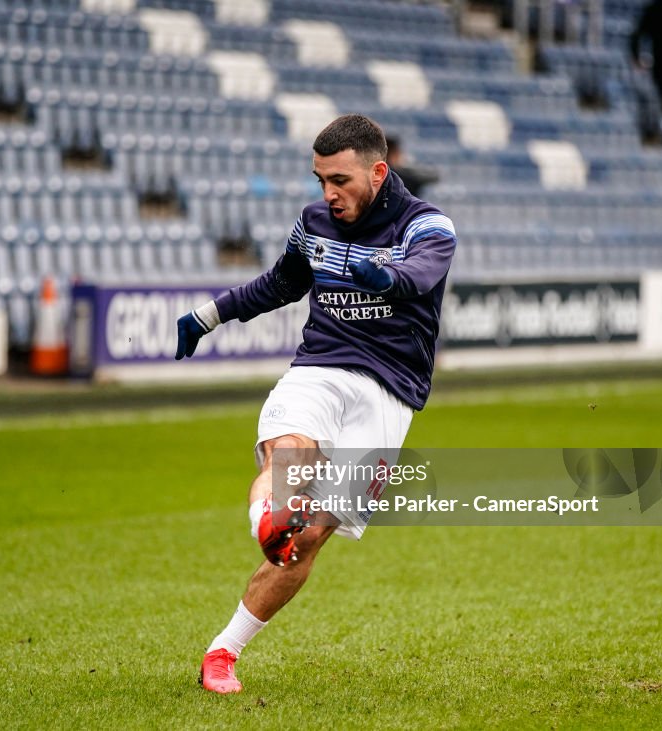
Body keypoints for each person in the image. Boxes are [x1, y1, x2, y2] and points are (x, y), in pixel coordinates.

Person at [174, 114, 457, 694]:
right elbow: (280, 283)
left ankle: (222, 650)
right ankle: (266, 520)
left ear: (378, 172)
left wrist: (378, 274)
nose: (328, 194)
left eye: (340, 181)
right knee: (290, 457)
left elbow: (415, 276)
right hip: (321, 368)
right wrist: (208, 316)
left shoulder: (428, 226)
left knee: (307, 539)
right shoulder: (314, 222)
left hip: (389, 392)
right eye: (319, 180)